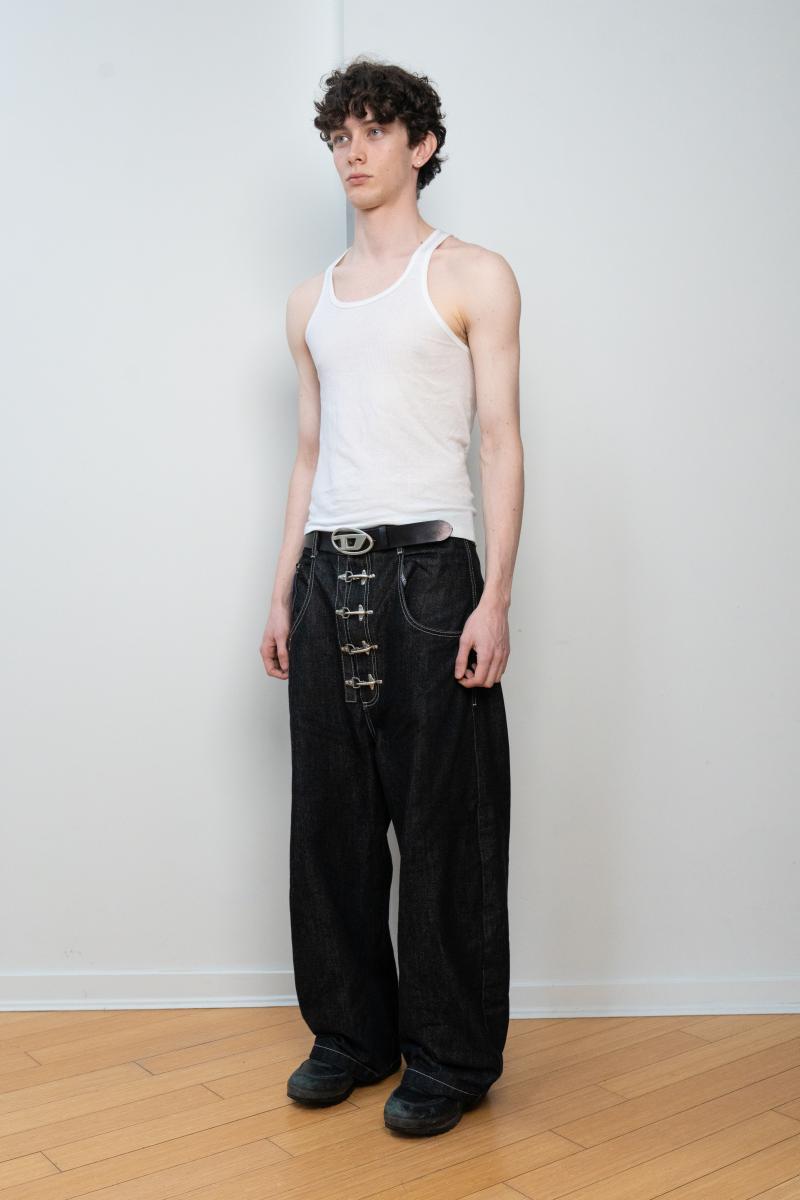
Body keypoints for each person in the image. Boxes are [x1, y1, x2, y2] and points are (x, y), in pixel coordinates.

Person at [260, 55, 524, 1138]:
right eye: (339, 136)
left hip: (431, 575)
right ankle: (350, 1037)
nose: (353, 153)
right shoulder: (308, 302)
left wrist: (494, 597)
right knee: (329, 822)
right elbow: (308, 454)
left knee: (445, 825)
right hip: (329, 573)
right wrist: (282, 593)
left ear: (422, 144)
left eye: (374, 131)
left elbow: (500, 442)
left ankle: (450, 1058)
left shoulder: (471, 275)